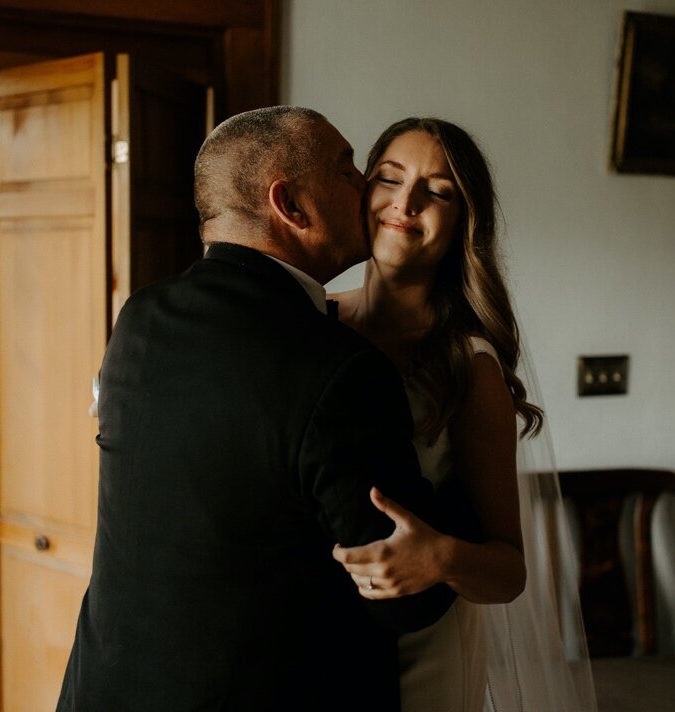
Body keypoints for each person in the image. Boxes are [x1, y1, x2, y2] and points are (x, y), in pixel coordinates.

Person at [57, 106, 456, 711]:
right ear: (290, 205)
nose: (367, 186)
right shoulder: (341, 367)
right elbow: (408, 599)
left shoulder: (141, 316)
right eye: (346, 169)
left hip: (105, 688)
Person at [326, 117, 593, 711]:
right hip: (309, 641)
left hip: (419, 656)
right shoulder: (309, 318)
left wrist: (439, 557)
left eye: (438, 191)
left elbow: (509, 572)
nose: (406, 203)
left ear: (463, 223)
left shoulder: (467, 367)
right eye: (389, 178)